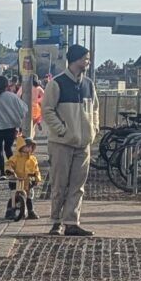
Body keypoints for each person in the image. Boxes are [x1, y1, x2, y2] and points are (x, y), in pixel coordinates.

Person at [44, 44, 98, 236]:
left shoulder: (89, 85)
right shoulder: (56, 84)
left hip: (83, 143)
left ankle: (72, 221)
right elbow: (47, 110)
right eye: (86, 58)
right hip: (61, 143)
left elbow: (95, 109)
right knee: (59, 184)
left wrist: (93, 129)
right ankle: (56, 220)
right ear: (75, 60)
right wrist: (61, 130)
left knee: (78, 185)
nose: (88, 62)